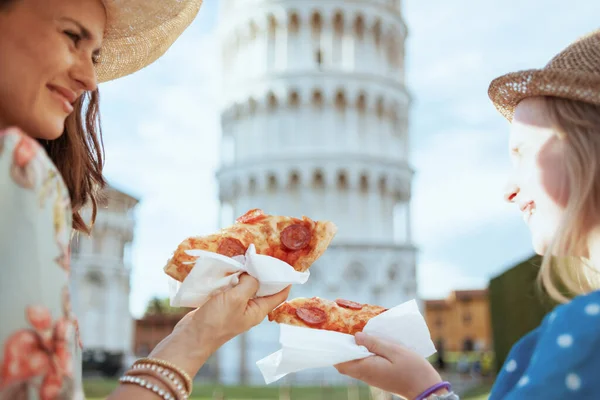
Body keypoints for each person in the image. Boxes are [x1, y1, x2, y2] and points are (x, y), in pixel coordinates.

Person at [0, 1, 290, 399]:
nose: (89, 77)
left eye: (96, 55)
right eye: (71, 36)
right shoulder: (19, 169)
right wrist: (197, 338)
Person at [335, 30, 600, 399]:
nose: (509, 189)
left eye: (522, 152)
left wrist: (422, 390)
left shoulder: (585, 333)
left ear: (589, 149)